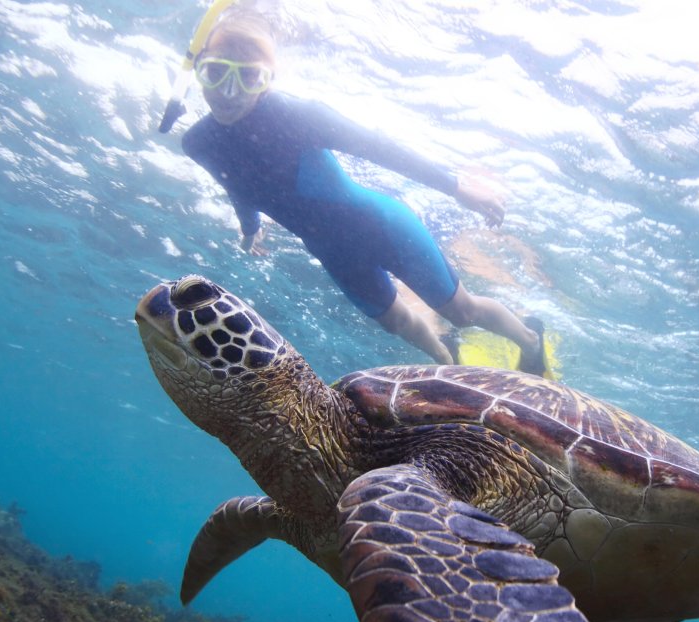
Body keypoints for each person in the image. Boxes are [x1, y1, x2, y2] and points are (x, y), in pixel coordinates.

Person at [180, 11, 545, 373]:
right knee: (398, 323)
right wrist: (249, 227)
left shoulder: (297, 116)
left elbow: (380, 148)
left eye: (247, 77)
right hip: (333, 252)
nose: (229, 93)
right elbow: (234, 182)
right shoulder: (198, 143)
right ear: (199, 69)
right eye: (216, 72)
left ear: (268, 80)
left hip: (384, 227)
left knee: (463, 312)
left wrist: (457, 188)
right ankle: (448, 366)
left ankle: (530, 340)